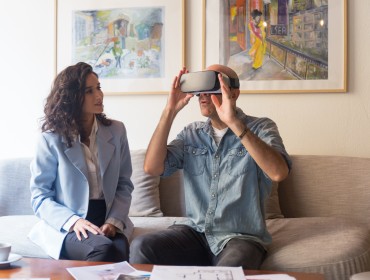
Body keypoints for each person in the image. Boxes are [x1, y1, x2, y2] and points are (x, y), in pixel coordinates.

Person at [130, 64, 291, 269]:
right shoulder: (191, 134)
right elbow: (152, 168)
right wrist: (169, 111)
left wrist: (234, 123)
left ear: (234, 93)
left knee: (231, 266)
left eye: (212, 88)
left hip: (241, 237)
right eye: (200, 92)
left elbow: (278, 172)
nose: (203, 96)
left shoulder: (262, 127)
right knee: (142, 245)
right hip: (195, 232)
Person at [28, 62, 134, 261]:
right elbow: (40, 196)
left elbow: (124, 184)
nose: (99, 95)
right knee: (103, 249)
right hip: (68, 222)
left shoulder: (117, 130)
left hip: (107, 218)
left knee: (120, 251)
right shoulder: (50, 139)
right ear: (72, 98)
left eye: (99, 88)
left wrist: (113, 221)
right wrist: (73, 221)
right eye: (89, 91)